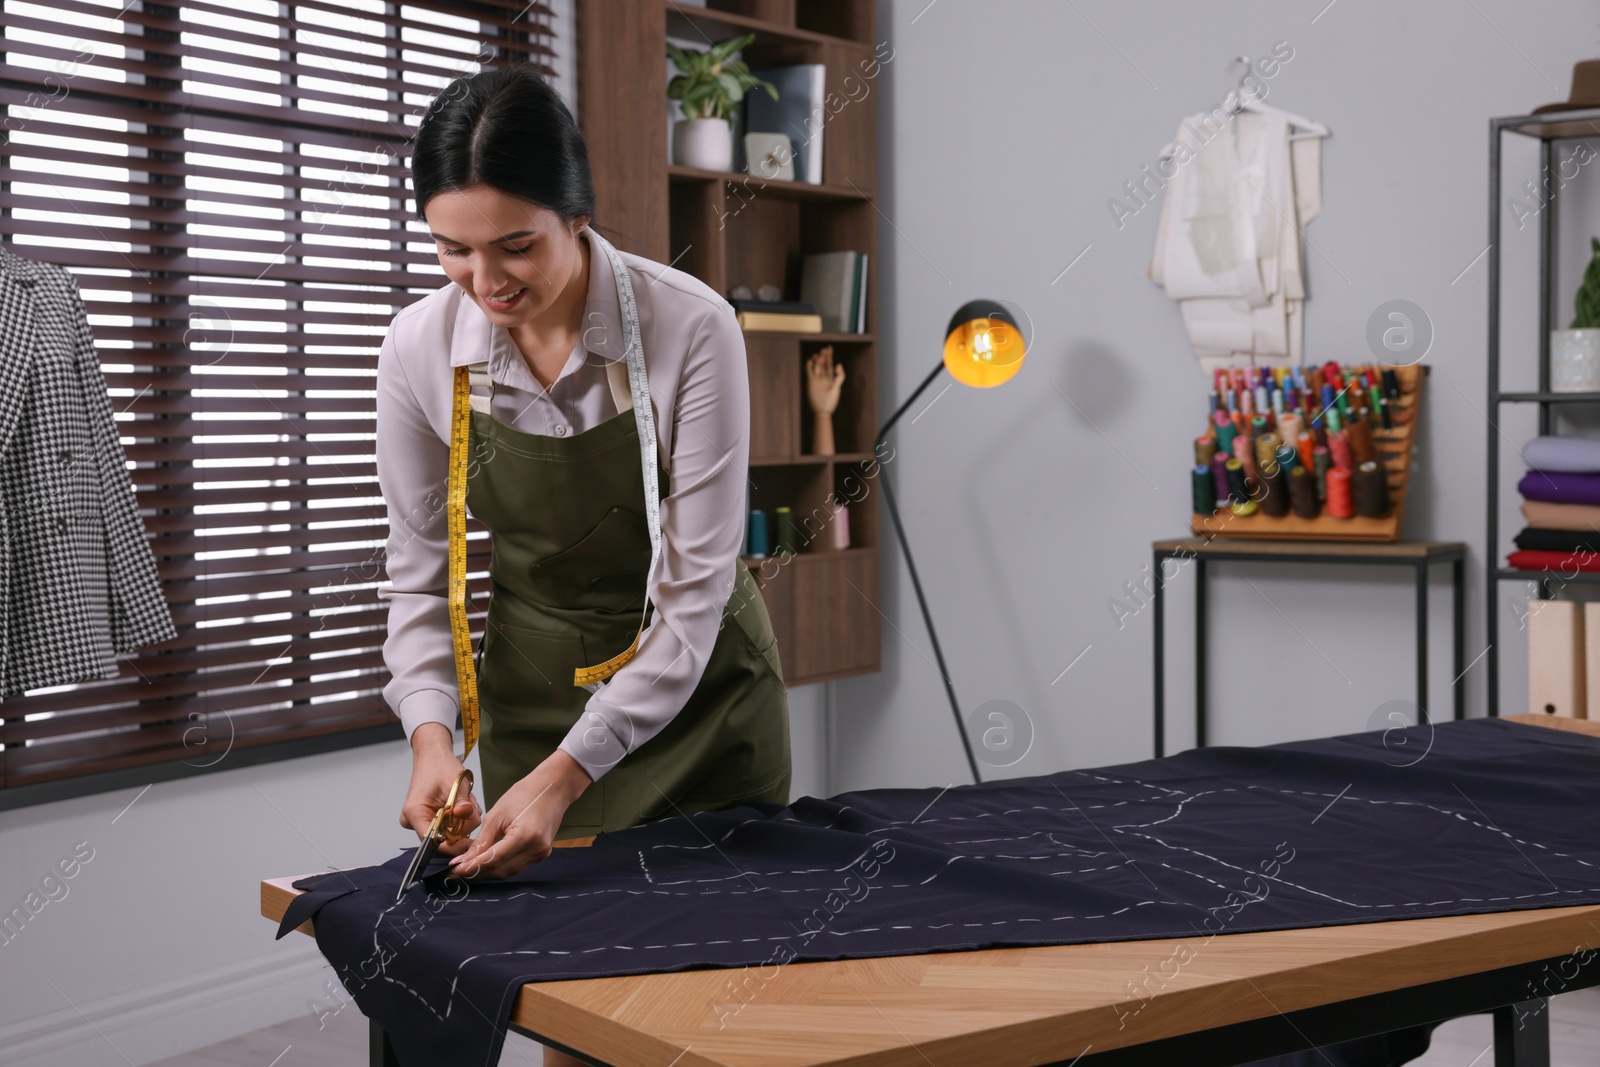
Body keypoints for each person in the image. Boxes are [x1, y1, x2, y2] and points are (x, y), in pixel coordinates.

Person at [375, 63, 791, 914]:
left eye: (515, 245)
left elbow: (692, 594)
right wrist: (430, 735)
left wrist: (570, 774)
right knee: (566, 981)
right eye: (453, 249)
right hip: (535, 693)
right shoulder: (417, 350)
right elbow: (420, 572)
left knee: (713, 967)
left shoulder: (692, 326)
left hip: (699, 691)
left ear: (579, 215)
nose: (485, 281)